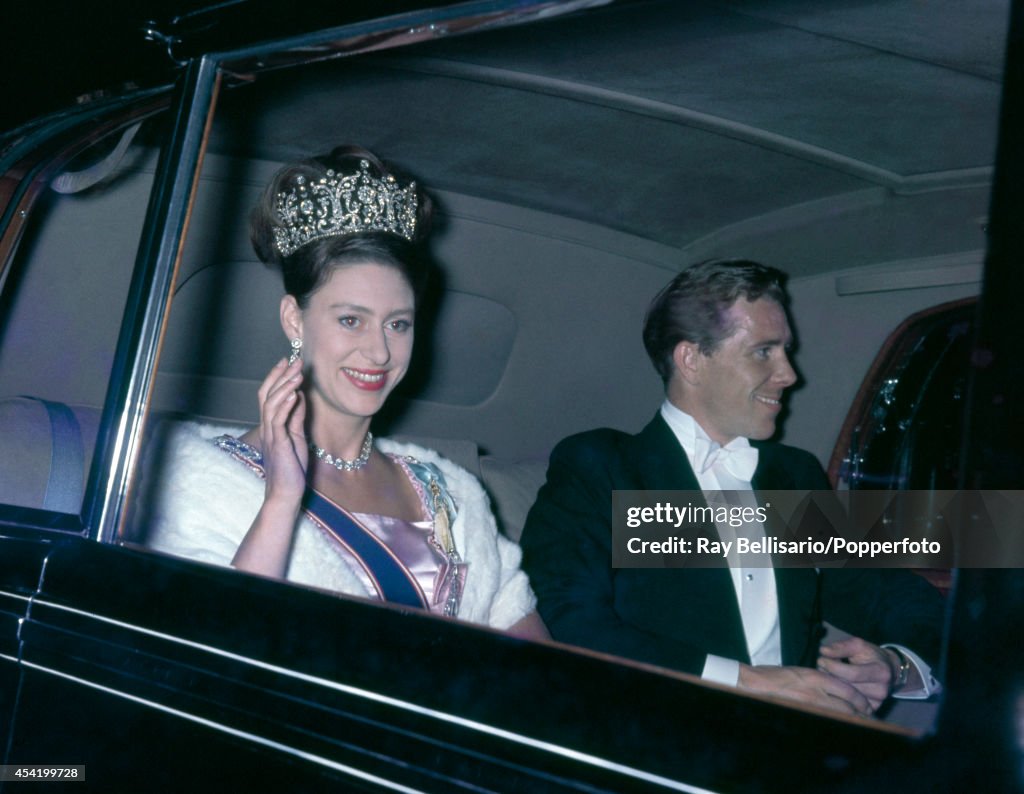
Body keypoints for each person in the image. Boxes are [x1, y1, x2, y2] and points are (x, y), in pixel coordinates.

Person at [146, 145, 546, 639]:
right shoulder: (203, 482)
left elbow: (535, 658)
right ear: (295, 319)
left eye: (398, 324)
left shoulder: (451, 491)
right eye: (351, 320)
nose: (379, 352)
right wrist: (281, 501)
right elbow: (209, 653)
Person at [519, 259, 943, 715]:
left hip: (795, 744)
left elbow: (881, 591)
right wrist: (748, 683)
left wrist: (896, 666)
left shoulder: (792, 476)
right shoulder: (603, 466)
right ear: (692, 360)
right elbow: (567, 621)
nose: (789, 374)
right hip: (657, 731)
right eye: (764, 351)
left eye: (786, 351)